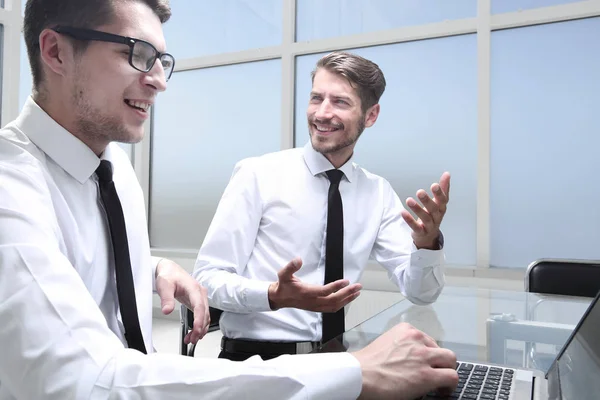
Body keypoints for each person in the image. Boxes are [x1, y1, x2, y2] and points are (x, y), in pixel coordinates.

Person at [0, 0, 458, 398]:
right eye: (137, 55)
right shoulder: (11, 186)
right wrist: (349, 368)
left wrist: (154, 266)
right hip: (253, 367)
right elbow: (87, 381)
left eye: (162, 60)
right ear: (56, 51)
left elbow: (80, 261)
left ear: (370, 115)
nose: (160, 81)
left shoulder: (112, 168)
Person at [194, 51, 451, 362]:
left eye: (340, 102)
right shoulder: (257, 175)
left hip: (335, 362)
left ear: (370, 115)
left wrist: (426, 246)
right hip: (254, 362)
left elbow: (421, 293)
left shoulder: (377, 193)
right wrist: (273, 296)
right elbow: (208, 279)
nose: (321, 113)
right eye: (316, 98)